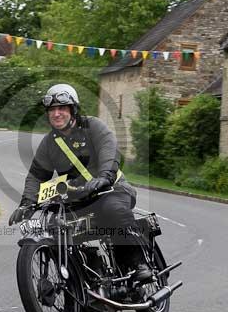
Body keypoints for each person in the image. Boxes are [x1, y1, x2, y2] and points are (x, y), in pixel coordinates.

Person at [8, 83, 151, 282]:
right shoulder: (49, 143)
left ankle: (138, 264)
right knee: (55, 227)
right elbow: (36, 176)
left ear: (73, 110)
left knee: (113, 210)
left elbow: (109, 150)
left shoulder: (93, 126)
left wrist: (104, 177)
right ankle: (79, 285)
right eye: (52, 110)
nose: (56, 114)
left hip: (111, 190)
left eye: (62, 108)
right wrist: (26, 203)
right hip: (79, 199)